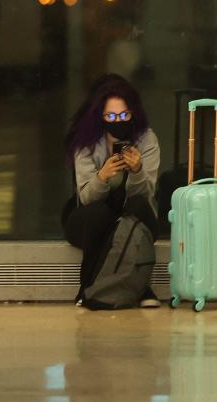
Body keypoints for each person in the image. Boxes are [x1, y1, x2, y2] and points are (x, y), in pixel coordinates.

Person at [62, 74, 162, 307]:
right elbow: (86, 197)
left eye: (124, 115)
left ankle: (140, 287)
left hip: (133, 216)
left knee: (136, 208)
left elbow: (146, 196)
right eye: (111, 116)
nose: (118, 120)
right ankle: (87, 287)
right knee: (100, 215)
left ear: (133, 113)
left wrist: (137, 170)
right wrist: (102, 176)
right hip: (93, 216)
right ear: (101, 117)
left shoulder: (146, 140)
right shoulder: (87, 142)